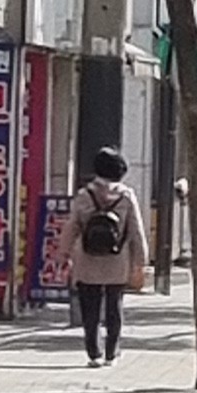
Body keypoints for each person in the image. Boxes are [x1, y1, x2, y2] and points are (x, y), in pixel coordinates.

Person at [63, 146, 145, 367]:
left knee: (89, 308)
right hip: (117, 259)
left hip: (87, 258)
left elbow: (72, 226)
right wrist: (140, 261)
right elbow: (136, 229)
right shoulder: (126, 196)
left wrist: (63, 253)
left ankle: (94, 353)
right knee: (114, 306)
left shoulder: (84, 195)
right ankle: (111, 353)